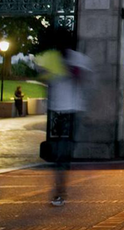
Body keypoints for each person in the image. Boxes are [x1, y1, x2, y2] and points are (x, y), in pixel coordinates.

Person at [36, 27, 91, 207]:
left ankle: (60, 190)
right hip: (58, 111)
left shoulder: (77, 58)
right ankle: (59, 189)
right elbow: (42, 75)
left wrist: (68, 69)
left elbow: (84, 78)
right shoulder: (50, 58)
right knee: (60, 153)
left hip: (72, 111)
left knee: (63, 153)